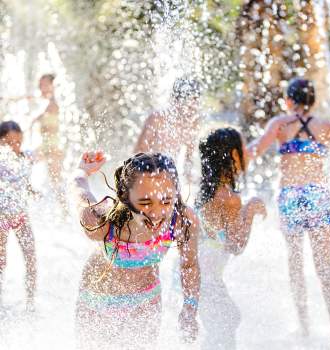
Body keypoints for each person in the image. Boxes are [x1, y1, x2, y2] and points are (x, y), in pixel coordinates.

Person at [247, 78, 330, 349]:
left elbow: (255, 150)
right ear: (313, 100)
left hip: (292, 197)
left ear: (289, 101)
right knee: (324, 267)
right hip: (318, 196)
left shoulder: (280, 124)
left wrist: (225, 156)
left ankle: (304, 325)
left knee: (295, 263)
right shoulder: (325, 126)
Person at [72, 151, 200, 349]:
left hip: (146, 300)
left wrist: (190, 308)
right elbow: (80, 192)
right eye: (145, 203)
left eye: (166, 201)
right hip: (97, 302)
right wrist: (81, 171)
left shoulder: (182, 220)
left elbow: (190, 265)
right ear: (125, 196)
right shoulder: (102, 222)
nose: (157, 213)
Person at [196, 128, 266, 350]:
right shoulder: (229, 198)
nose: (248, 151)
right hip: (206, 279)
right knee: (226, 323)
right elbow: (236, 245)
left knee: (225, 322)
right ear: (233, 155)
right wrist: (250, 211)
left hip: (196, 274)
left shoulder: (207, 188)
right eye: (243, 147)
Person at [134, 78, 201, 183]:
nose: (193, 108)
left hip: (170, 176)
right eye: (190, 102)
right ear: (176, 100)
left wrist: (192, 179)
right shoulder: (157, 118)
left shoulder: (191, 123)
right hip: (149, 173)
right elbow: (138, 152)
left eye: (196, 101)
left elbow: (188, 159)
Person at [0, 121, 37, 312]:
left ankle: (31, 303)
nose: (14, 145)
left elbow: (23, 181)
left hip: (21, 214)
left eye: (18, 141)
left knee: (31, 257)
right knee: (1, 261)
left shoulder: (26, 157)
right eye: (8, 142)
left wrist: (32, 191)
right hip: (1, 217)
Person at [32, 74, 67, 212]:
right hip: (48, 147)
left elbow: (53, 127)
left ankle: (65, 213)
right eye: (40, 84)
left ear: (53, 86)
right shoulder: (47, 102)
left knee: (57, 181)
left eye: (44, 84)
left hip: (53, 147)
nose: (41, 87)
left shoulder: (53, 104)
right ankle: (63, 212)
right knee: (55, 181)